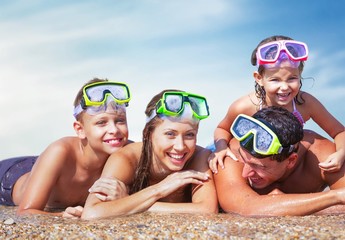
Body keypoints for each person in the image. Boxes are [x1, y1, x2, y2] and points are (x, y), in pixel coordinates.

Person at [210, 35, 345, 173]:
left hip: (275, 162)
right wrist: (221, 148)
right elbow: (222, 129)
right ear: (259, 78)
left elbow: (340, 131)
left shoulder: (305, 103)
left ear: (300, 74)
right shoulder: (246, 106)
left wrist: (341, 153)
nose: (284, 87)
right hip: (246, 157)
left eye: (292, 78)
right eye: (275, 80)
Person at [0, 78, 132, 217]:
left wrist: (126, 197)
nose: (114, 129)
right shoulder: (60, 151)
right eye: (101, 123)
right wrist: (62, 215)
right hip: (11, 176)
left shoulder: (129, 152)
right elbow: (25, 212)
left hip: (46, 164)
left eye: (120, 121)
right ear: (80, 129)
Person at [81, 89, 218, 220]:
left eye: (189, 135)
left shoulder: (199, 157)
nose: (180, 146)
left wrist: (129, 200)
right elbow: (92, 213)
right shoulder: (126, 159)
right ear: (148, 134)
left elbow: (207, 210)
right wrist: (160, 189)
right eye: (170, 134)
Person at [214, 106, 345, 216]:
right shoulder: (231, 154)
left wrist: (281, 205)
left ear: (291, 161)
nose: (245, 174)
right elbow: (246, 207)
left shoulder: (323, 156)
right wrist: (333, 197)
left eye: (259, 166)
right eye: (244, 160)